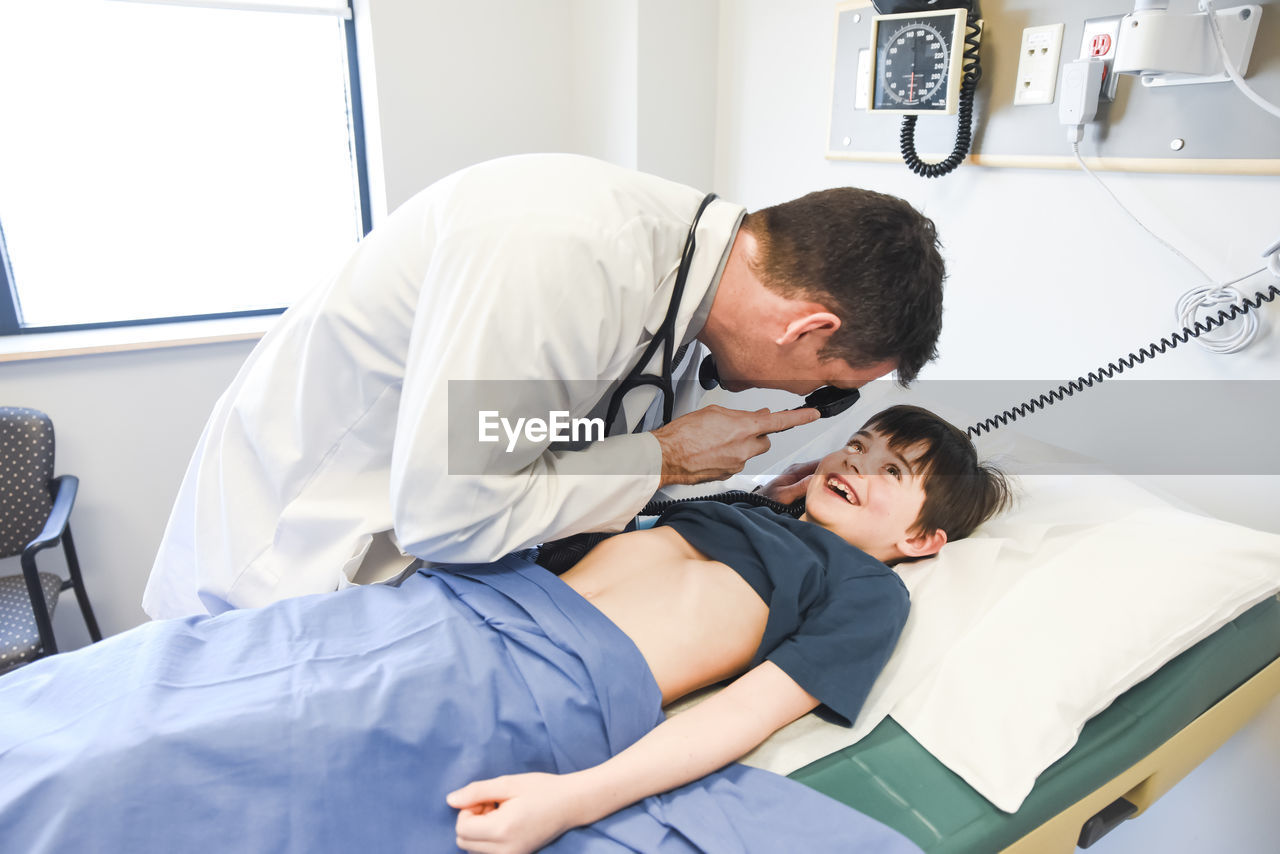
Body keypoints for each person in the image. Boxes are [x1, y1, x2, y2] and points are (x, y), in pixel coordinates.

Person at [1, 406, 1007, 854]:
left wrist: (571, 799)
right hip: (437, 610)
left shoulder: (865, 589)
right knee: (161, 672)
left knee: (150, 758)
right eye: (857, 442)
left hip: (540, 684)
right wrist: (728, 482)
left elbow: (747, 711)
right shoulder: (736, 504)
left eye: (890, 472)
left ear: (919, 536)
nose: (856, 461)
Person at [143, 153, 947, 618]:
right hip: (290, 552)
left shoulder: (687, 278)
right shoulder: (564, 261)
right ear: (806, 329)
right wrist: (659, 461)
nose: (830, 412)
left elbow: (547, 439)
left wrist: (722, 482)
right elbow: (451, 512)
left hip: (411, 578)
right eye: (836, 389)